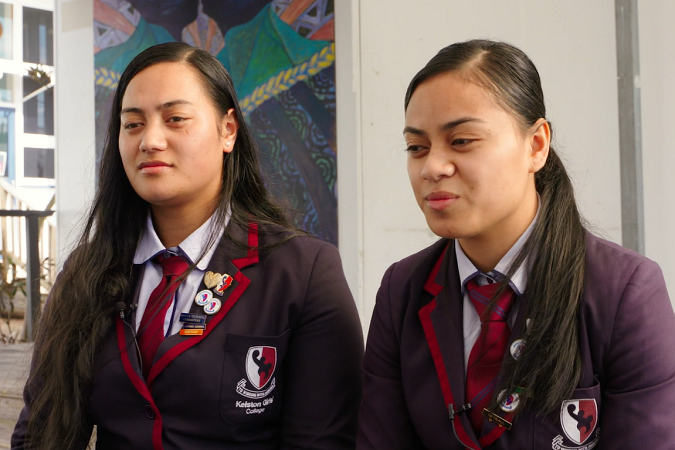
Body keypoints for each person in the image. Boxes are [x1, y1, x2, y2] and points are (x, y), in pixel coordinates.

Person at [12, 42, 363, 450]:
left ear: (227, 130)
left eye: (175, 118)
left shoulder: (303, 272)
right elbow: (40, 433)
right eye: (133, 124)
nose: (151, 141)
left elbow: (323, 441)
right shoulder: (87, 271)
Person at [356, 39, 675, 449]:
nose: (432, 167)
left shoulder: (625, 292)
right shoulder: (403, 290)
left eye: (462, 141)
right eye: (417, 147)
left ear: (536, 145)